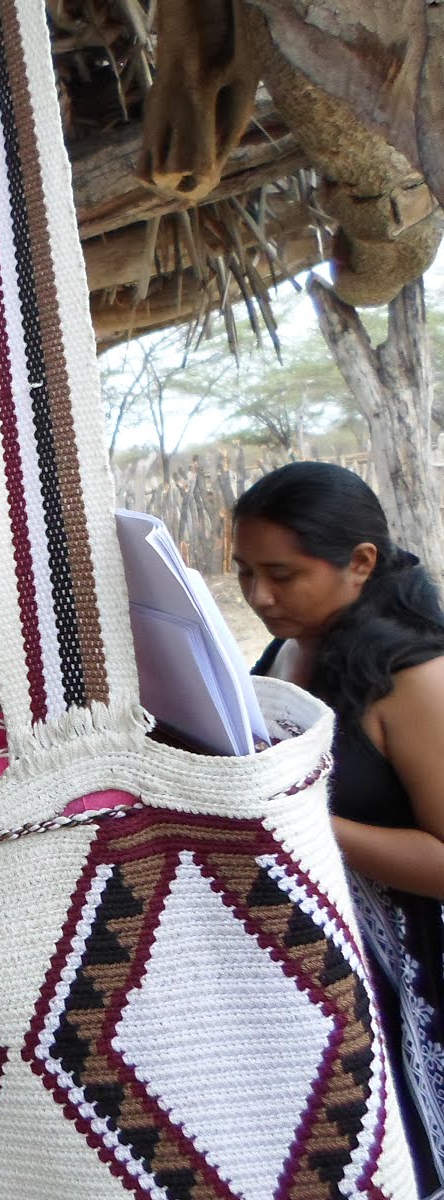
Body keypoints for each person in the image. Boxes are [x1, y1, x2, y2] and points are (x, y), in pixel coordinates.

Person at [235, 462, 444, 1196]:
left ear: (360, 563)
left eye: (283, 575)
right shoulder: (282, 656)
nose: (260, 597)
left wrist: (300, 820)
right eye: (245, 574)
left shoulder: (414, 678)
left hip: (410, 987)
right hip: (324, 980)